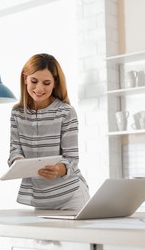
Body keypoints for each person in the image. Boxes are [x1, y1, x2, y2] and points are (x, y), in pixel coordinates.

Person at [8, 53, 89, 210]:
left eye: (46, 83)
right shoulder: (17, 113)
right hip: (40, 199)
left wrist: (58, 169)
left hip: (71, 196)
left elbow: (71, 159)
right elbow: (14, 150)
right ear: (25, 78)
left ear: (54, 84)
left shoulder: (65, 112)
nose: (39, 88)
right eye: (34, 81)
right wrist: (19, 163)